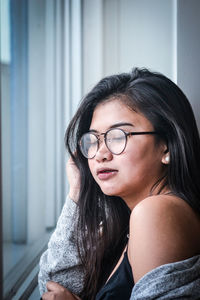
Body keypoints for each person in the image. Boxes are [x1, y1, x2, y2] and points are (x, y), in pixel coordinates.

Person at [39, 67, 200, 300]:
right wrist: (77, 191)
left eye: (118, 135)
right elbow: (53, 285)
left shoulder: (156, 213)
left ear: (167, 146)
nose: (100, 154)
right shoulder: (124, 221)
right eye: (93, 140)